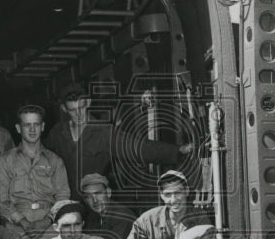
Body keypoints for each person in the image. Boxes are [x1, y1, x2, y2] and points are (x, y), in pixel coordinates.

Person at [45, 83, 185, 198]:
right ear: (64, 109)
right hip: (64, 201)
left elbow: (138, 148)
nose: (78, 114)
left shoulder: (104, 132)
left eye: (81, 108)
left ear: (88, 102)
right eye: (72, 110)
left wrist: (177, 150)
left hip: (94, 202)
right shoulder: (57, 133)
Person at [0, 104, 70, 236]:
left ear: (43, 127)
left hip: (49, 226)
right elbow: (1, 199)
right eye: (27, 125)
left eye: (36, 124)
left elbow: (63, 197)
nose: (32, 129)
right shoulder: (6, 161)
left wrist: (47, 221)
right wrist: (22, 221)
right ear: (18, 128)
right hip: (15, 226)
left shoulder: (55, 161)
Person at [79, 172, 136, 239]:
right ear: (85, 200)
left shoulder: (122, 216)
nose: (95, 200)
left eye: (98, 193)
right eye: (88, 197)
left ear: (108, 192)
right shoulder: (92, 216)